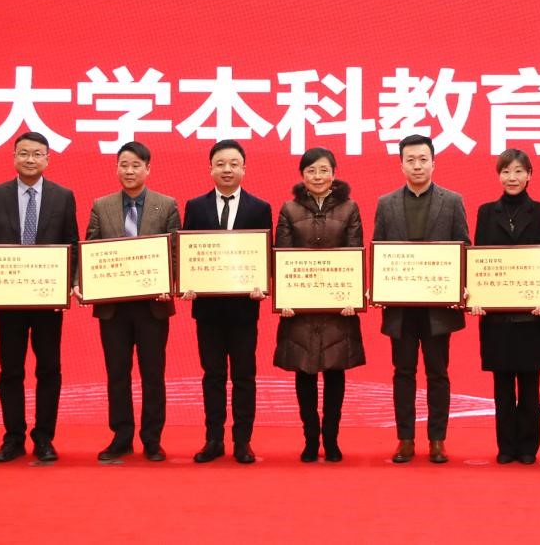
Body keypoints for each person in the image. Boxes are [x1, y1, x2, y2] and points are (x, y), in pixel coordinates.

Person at [0, 132, 78, 463]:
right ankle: (13, 438)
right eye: (23, 153)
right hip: (9, 300)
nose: (30, 159)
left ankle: (44, 438)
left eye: (37, 154)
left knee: (49, 368)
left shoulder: (63, 196)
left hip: (48, 300)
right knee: (10, 370)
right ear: (13, 157)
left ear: (48, 158)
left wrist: (68, 284)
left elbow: (72, 244)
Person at [373, 134, 469, 464]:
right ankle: (405, 439)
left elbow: (464, 248)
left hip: (437, 307)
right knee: (403, 372)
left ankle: (437, 440)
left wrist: (460, 286)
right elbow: (378, 250)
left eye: (423, 159)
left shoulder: (452, 201)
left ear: (433, 163)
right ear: (401, 165)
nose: (417, 165)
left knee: (438, 373)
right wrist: (376, 285)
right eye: (410, 160)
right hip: (400, 306)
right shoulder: (386, 203)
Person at [85, 141, 180, 462]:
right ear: (116, 168)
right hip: (113, 308)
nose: (129, 171)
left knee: (153, 375)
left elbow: (176, 253)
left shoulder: (166, 205)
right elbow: (91, 251)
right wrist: (83, 283)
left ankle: (152, 439)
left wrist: (171, 283)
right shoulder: (101, 206)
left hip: (153, 306)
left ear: (147, 169)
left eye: (136, 165)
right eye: (123, 165)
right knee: (117, 374)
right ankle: (121, 436)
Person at [182, 140, 272, 465]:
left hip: (244, 309)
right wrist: (187, 283)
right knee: (213, 375)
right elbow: (187, 253)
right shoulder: (196, 206)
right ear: (210, 169)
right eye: (220, 164)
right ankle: (214, 439)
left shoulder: (259, 208)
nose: (227, 169)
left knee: (244, 376)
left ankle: (243, 441)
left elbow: (266, 255)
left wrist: (263, 284)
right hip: (207, 310)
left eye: (234, 164)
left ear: (244, 169)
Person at [274, 147, 366, 463]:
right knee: (305, 372)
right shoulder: (288, 209)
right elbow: (281, 256)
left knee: (335, 372)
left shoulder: (350, 208)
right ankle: (311, 439)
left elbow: (354, 253)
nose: (317, 176)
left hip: (337, 308)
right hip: (299, 309)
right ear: (302, 175)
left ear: (334, 174)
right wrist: (284, 298)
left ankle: (332, 438)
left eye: (324, 170)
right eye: (311, 170)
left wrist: (353, 296)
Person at [470, 149, 540, 465]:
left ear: (529, 175)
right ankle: (506, 446)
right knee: (502, 385)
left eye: (519, 171)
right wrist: (476, 297)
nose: (512, 178)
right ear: (499, 176)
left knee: (530, 385)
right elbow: (479, 258)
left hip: (532, 313)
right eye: (506, 171)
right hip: (496, 315)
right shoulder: (485, 212)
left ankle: (529, 447)